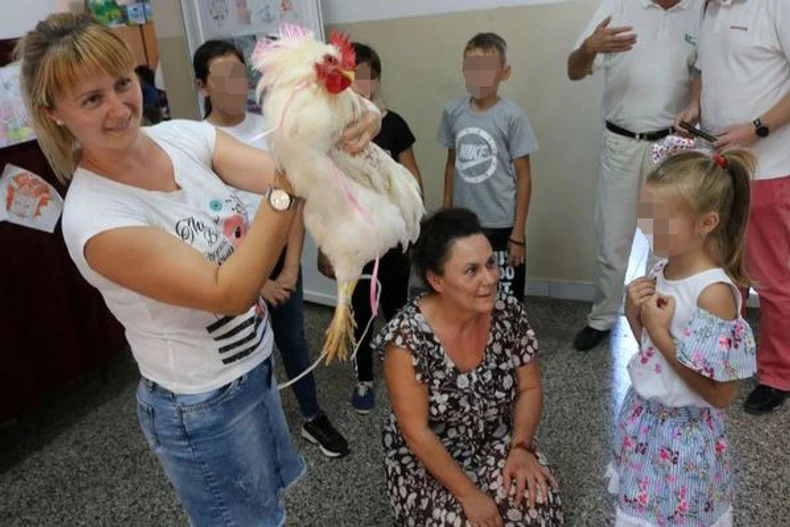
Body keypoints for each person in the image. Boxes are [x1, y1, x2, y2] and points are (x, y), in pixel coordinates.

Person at [15, 13, 378, 525]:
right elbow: (228, 290)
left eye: (122, 84)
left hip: (253, 367)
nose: (119, 109)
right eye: (91, 99)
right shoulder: (96, 220)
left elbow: (289, 171)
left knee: (267, 509)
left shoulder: (182, 137)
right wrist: (290, 181)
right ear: (55, 113)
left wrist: (355, 118)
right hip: (202, 403)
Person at [193, 39, 349, 457]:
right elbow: (203, 226)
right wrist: (256, 283)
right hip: (229, 265)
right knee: (246, 353)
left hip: (281, 258)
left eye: (240, 74)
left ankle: (312, 416)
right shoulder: (198, 142)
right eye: (223, 78)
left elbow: (293, 198)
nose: (235, 85)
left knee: (294, 340)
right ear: (202, 86)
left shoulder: (271, 127)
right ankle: (259, 429)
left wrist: (291, 268)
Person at [374, 208, 564, 526]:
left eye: (490, 263)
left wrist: (521, 446)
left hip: (496, 437)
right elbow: (416, 433)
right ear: (437, 280)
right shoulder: (406, 339)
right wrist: (469, 495)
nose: (490, 278)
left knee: (536, 505)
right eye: (471, 271)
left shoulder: (508, 313)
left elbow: (530, 388)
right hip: (431, 454)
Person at [609, 150, 757, 526]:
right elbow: (653, 358)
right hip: (644, 422)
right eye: (645, 212)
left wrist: (658, 332)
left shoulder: (714, 294)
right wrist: (634, 315)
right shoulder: (662, 268)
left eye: (660, 218)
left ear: (706, 222)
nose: (646, 225)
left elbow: (719, 394)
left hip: (685, 439)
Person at [567, 0, 703, 352]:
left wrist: (695, 106)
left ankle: (657, 322)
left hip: (671, 148)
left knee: (665, 243)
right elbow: (574, 69)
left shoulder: (698, 11)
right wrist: (588, 48)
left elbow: (702, 73)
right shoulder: (619, 7)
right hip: (622, 143)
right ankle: (602, 318)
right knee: (612, 240)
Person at [674, 0, 790, 415]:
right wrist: (694, 107)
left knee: (773, 280)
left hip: (769, 169)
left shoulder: (776, 6)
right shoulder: (709, 9)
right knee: (723, 273)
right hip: (719, 167)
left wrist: (756, 128)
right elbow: (704, 71)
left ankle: (778, 374)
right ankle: (723, 359)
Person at [317, 42, 424, 414]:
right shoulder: (331, 134)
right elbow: (324, 197)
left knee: (396, 308)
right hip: (354, 244)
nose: (361, 84)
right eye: (354, 77)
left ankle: (399, 370)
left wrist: (409, 226)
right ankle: (364, 377)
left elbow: (412, 180)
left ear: (376, 81)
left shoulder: (392, 125)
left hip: (393, 243)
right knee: (361, 311)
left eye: (368, 77)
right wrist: (325, 247)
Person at [439, 33, 536, 305]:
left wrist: (517, 234)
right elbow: (451, 164)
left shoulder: (512, 116)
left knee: (504, 299)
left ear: (504, 73)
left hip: (502, 226)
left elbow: (525, 176)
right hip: (464, 223)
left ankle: (505, 345)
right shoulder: (453, 111)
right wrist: (447, 214)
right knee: (467, 293)